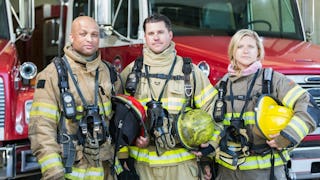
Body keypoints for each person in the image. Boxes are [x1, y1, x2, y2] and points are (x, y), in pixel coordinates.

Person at [116, 14, 219, 180]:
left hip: (182, 168)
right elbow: (117, 119)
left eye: (160, 32)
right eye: (151, 33)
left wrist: (208, 153)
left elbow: (213, 111)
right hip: (142, 168)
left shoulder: (189, 72)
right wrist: (123, 157)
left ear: (170, 35)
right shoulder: (131, 72)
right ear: (145, 37)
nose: (156, 37)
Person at [213, 29, 319, 180]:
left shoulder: (272, 81)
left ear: (258, 52)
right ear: (232, 52)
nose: (245, 51)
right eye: (240, 46)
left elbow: (308, 104)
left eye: (251, 46)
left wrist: (289, 135)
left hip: (265, 172)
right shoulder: (222, 85)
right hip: (227, 172)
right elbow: (211, 125)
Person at [29, 16, 115, 180]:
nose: (89, 39)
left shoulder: (109, 73)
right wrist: (54, 172)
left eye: (94, 34)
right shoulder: (51, 75)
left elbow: (118, 122)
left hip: (106, 171)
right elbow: (41, 129)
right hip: (71, 172)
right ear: (71, 37)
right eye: (83, 34)